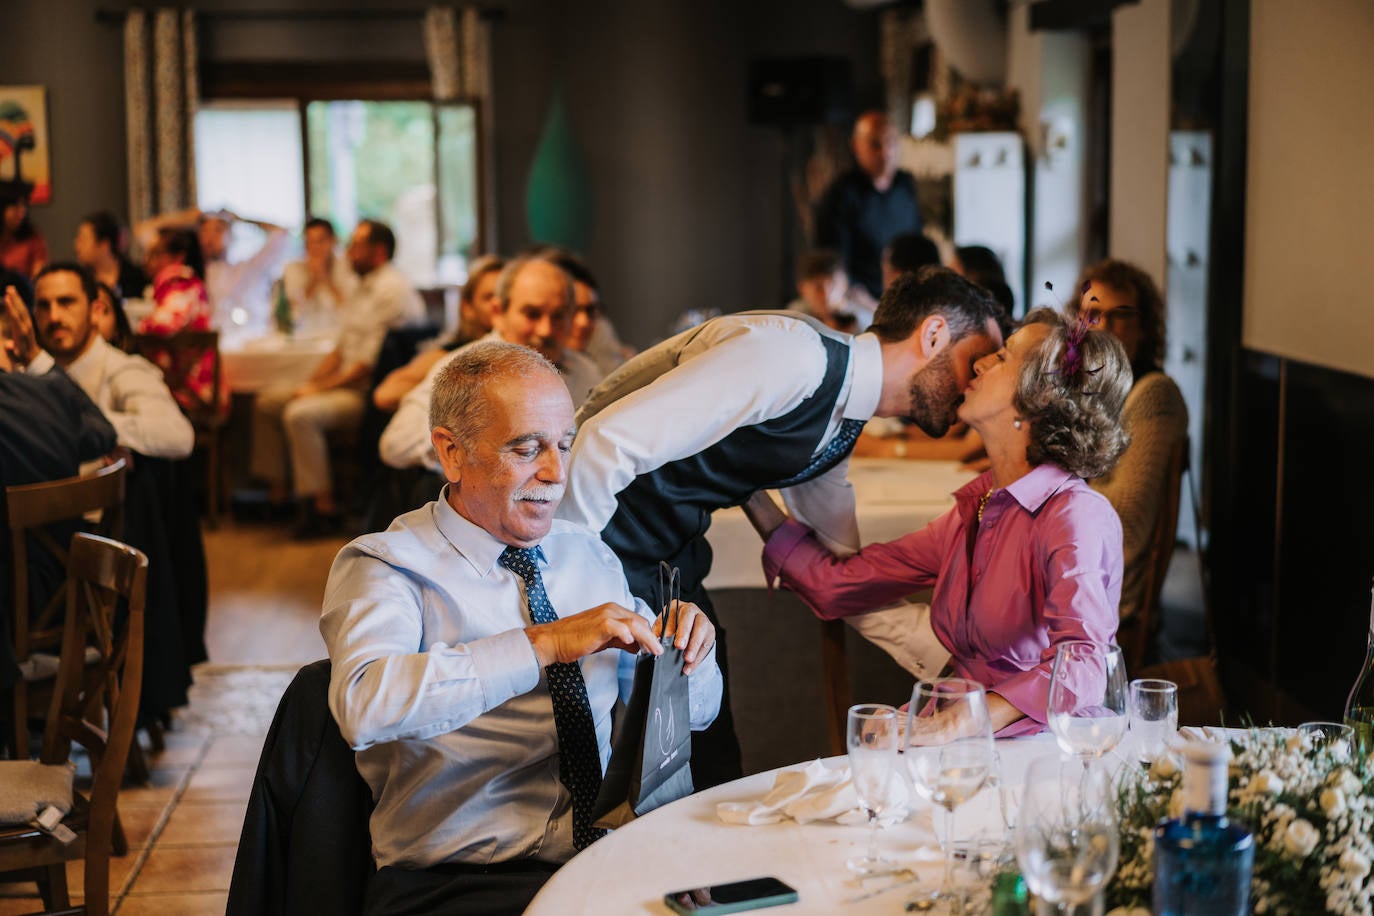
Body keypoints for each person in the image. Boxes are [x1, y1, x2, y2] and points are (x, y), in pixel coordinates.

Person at [559, 267, 1003, 786]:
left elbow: (843, 578)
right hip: (605, 565)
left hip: (671, 575)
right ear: (932, 336)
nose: (978, 382)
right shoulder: (794, 357)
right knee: (626, 777)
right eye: (976, 361)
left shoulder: (841, 421)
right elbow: (602, 444)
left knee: (707, 766)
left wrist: (975, 677)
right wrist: (569, 590)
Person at [321, 341, 722, 916]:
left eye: (563, 445)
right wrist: (544, 644)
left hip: (604, 860)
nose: (556, 474)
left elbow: (694, 713)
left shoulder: (588, 556)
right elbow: (364, 707)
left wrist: (688, 656)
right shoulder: (387, 566)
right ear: (451, 453)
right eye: (526, 448)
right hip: (459, 882)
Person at [745, 309, 1132, 736]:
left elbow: (1085, 663)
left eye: (1002, 357)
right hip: (962, 742)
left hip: (1041, 750)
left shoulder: (1073, 515)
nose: (980, 362)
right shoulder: (978, 509)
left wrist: (955, 722)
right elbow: (839, 584)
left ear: (1039, 397)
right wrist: (744, 487)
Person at [251, 220, 424, 537]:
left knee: (300, 414)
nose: (349, 253)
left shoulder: (391, 290)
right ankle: (277, 495)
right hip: (346, 380)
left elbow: (365, 367)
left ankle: (321, 506)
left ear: (380, 252)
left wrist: (317, 390)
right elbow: (341, 350)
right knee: (268, 400)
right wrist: (311, 384)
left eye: (357, 246)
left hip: (367, 393)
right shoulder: (362, 285)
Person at [378, 255, 603, 476]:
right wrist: (481, 447)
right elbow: (396, 443)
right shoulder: (464, 368)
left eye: (558, 316)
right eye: (532, 314)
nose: (545, 330)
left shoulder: (586, 371)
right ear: (498, 313)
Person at [1, 285, 118, 688]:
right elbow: (103, 433)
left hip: (17, 613)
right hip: (65, 601)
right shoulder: (41, 399)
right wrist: (37, 360)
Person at [1069, 259, 1188, 628]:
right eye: (1094, 314)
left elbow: (1129, 519)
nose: (1104, 328)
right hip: (1072, 565)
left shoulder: (1154, 395)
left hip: (1105, 591)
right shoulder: (1086, 389)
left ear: (1144, 328)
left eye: (1121, 316)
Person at [24, 262, 193, 460]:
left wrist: (92, 428)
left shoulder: (121, 369)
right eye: (44, 306)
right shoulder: (29, 372)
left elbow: (178, 435)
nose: (54, 316)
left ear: (95, 311)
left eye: (66, 302)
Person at [370, 254, 505, 413]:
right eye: (488, 297)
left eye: (505, 296)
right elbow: (385, 395)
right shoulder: (450, 354)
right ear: (467, 308)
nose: (499, 304)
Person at [813, 111, 922, 300]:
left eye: (892, 143)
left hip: (904, 295)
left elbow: (917, 244)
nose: (886, 153)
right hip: (858, 298)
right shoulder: (841, 194)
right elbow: (834, 260)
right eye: (875, 145)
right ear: (856, 146)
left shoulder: (906, 186)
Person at [135, 207, 289, 327]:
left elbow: (281, 233)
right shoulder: (187, 273)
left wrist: (241, 219)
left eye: (218, 230)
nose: (210, 236)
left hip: (245, 347)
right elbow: (143, 231)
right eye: (205, 230)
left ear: (231, 235)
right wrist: (187, 217)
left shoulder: (247, 269)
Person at [278, 217, 357, 338]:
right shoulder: (293, 268)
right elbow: (292, 312)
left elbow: (352, 308)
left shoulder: (347, 266)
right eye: (310, 241)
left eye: (320, 241)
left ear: (332, 241)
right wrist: (313, 281)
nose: (315, 247)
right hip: (304, 336)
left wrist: (327, 279)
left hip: (340, 335)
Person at [786, 249, 877, 333]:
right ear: (802, 289)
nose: (826, 294)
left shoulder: (860, 318)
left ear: (844, 284)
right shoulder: (793, 318)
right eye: (818, 287)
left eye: (833, 284)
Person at [73, 211, 149, 299]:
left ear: (104, 245)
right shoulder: (82, 281)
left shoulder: (137, 278)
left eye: (83, 240)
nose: (77, 246)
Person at [0, 186, 48, 278]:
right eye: (15, 207)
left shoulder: (32, 238)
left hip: (24, 289)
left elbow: (39, 275)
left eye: (23, 206)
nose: (21, 212)